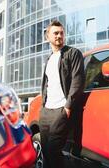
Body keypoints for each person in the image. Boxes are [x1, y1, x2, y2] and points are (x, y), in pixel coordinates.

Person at [39, 20, 85, 168]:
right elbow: (47, 84)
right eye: (55, 33)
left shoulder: (73, 53)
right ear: (48, 37)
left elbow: (77, 80)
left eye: (61, 33)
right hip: (46, 111)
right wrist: (43, 106)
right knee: (45, 150)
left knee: (53, 149)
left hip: (61, 109)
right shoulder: (49, 59)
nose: (59, 36)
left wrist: (68, 107)